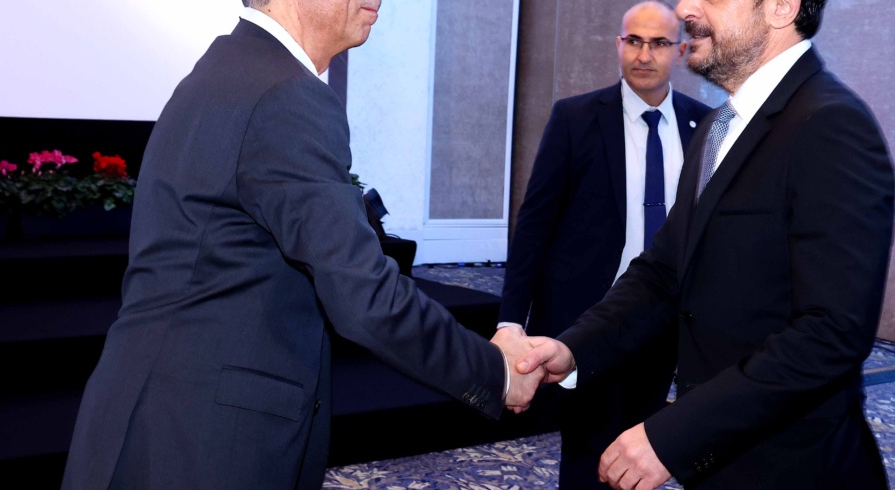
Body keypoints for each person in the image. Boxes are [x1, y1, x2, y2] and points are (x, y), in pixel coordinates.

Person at [60, 1, 541, 489]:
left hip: (161, 415)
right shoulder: (285, 94)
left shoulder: (230, 67)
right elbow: (365, 297)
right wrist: (497, 372)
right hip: (202, 441)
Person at [516, 0, 895, 488]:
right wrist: (573, 349)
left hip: (793, 467)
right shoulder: (718, 126)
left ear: (781, 8)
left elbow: (831, 333)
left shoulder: (831, 124)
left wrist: (673, 435)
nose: (685, 8)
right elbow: (663, 273)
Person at [498, 2, 710, 488]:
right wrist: (510, 320)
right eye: (633, 41)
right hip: (587, 320)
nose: (643, 54)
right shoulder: (575, 118)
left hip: (664, 322)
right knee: (586, 456)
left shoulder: (704, 126)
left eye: (658, 43)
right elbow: (534, 225)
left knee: (644, 454)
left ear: (680, 51)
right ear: (618, 45)